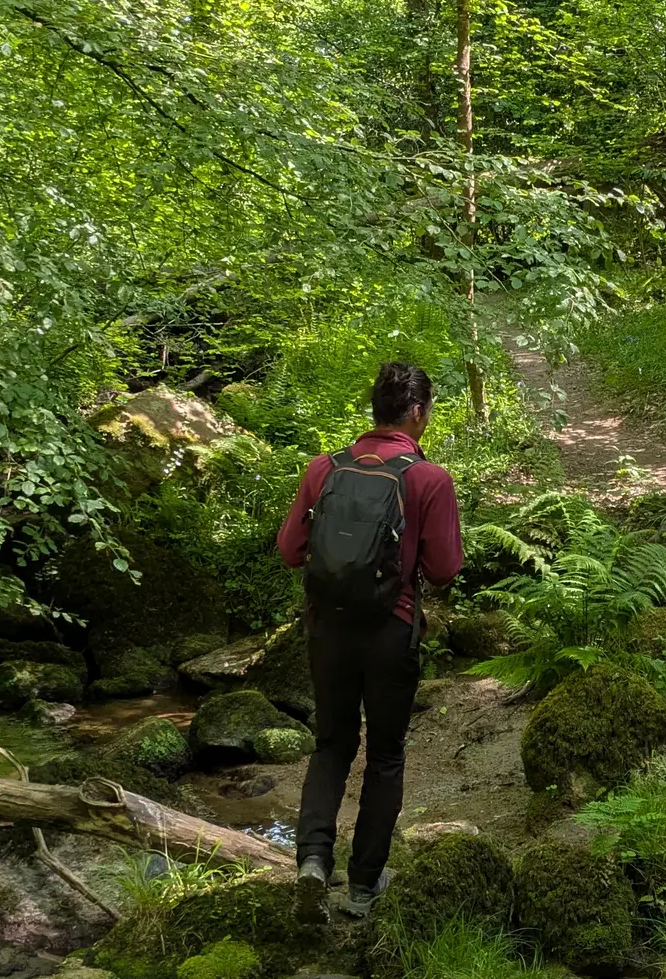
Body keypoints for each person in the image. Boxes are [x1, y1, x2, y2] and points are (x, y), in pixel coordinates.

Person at [276, 362, 464, 921]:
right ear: (417, 412)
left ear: (375, 410)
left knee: (331, 745)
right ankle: (362, 886)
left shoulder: (324, 468)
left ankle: (313, 860)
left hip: (328, 630)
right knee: (385, 755)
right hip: (390, 633)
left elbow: (290, 551)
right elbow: (444, 569)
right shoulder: (429, 479)